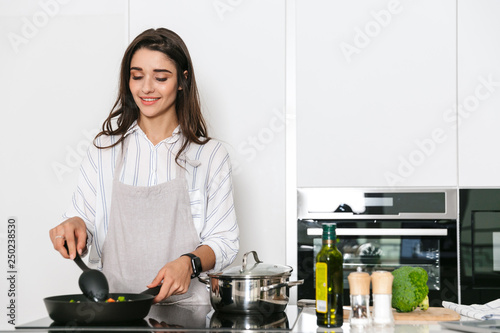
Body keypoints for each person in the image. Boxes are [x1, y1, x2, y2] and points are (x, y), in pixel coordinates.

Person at [49, 28, 239, 305]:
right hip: (115, 310)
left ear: (182, 81)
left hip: (188, 313)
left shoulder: (210, 155)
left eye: (161, 77)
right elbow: (84, 220)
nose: (146, 88)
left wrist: (189, 263)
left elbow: (224, 240)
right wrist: (74, 225)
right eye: (137, 76)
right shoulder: (104, 150)